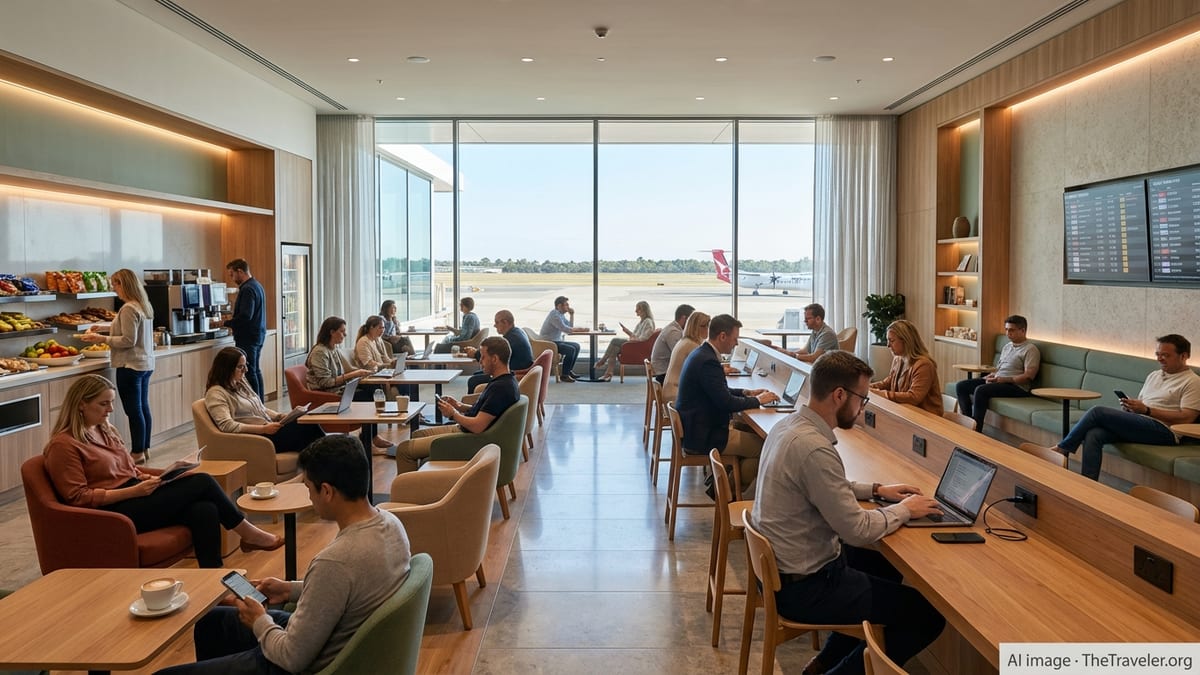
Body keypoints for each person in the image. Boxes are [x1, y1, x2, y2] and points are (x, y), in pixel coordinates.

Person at [751, 351, 946, 674]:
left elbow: (822, 484)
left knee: (881, 565)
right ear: (839, 395)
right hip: (806, 588)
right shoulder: (815, 448)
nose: (862, 408)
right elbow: (857, 530)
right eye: (862, 399)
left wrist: (875, 490)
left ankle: (823, 663)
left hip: (786, 574)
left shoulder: (790, 427)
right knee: (926, 616)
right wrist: (904, 510)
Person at [155, 435, 412, 675]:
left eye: (308, 487)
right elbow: (352, 586)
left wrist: (259, 620)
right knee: (211, 621)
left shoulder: (335, 561)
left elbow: (291, 657)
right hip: (336, 637)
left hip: (304, 663)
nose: (308, 495)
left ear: (327, 491)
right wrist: (290, 589)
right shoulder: (391, 523)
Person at [44, 374, 283, 569]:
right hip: (113, 512)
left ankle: (214, 582)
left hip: (135, 495)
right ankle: (248, 534)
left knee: (205, 509)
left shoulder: (104, 429)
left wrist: (154, 478)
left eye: (111, 402)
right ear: (81, 404)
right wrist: (134, 491)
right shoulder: (64, 445)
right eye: (103, 403)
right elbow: (79, 497)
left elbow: (128, 469)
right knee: (203, 481)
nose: (110, 409)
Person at [1047, 334, 1200, 481]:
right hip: (1142, 421)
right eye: (1158, 354)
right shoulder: (1154, 375)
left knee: (1097, 411)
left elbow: (1187, 417)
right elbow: (1143, 403)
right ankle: (1088, 486)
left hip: (1166, 431)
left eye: (1166, 355)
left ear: (1184, 356)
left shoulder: (1192, 382)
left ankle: (1063, 448)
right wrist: (1132, 407)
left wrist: (1147, 410)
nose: (1160, 359)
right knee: (1094, 434)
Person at [675, 314, 779, 495]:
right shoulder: (708, 361)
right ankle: (727, 494)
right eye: (735, 339)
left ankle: (723, 485)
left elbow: (718, 391)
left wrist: (746, 393)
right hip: (704, 435)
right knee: (766, 448)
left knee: (746, 431)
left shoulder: (702, 353)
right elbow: (725, 402)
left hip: (698, 428)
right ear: (722, 336)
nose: (736, 344)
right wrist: (758, 401)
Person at [394, 336, 521, 474]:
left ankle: (408, 493)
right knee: (418, 434)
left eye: (483, 357)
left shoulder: (500, 388)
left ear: (495, 359)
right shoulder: (507, 381)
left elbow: (478, 426)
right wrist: (460, 406)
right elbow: (487, 412)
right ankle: (423, 483)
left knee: (403, 450)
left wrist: (454, 413)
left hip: (468, 439)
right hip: (467, 433)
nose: (480, 361)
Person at [79, 268, 155, 464]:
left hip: (129, 365)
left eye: (115, 284)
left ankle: (136, 453)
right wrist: (102, 326)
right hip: (144, 364)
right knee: (143, 408)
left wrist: (99, 338)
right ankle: (145, 448)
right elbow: (127, 328)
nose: (114, 288)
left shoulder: (128, 307)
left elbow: (128, 340)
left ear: (124, 284)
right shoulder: (142, 305)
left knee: (134, 411)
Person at [204, 346, 324, 454]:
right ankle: (327, 458)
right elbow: (227, 425)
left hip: (268, 429)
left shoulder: (240, 383)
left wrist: (279, 416)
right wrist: (262, 429)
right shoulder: (216, 393)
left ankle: (324, 458)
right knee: (307, 429)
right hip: (257, 437)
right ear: (227, 369)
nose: (245, 370)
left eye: (245, 365)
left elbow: (260, 408)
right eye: (240, 367)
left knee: (307, 422)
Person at [305, 316, 390, 449]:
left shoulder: (333, 349)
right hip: (327, 393)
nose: (345, 334)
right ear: (332, 332)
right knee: (368, 397)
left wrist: (358, 374)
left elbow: (341, 375)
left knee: (373, 388)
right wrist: (353, 374)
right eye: (342, 331)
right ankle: (370, 438)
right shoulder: (320, 352)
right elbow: (325, 382)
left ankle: (371, 436)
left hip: (338, 388)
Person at [954, 315, 1040, 432]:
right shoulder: (1007, 346)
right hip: (999, 381)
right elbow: (999, 369)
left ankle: (976, 429)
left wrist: (1004, 380)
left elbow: (1028, 376)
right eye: (1006, 329)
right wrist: (991, 375)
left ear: (1023, 330)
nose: (1008, 333)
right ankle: (969, 422)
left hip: (1017, 387)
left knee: (981, 390)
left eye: (1011, 330)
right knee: (961, 386)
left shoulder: (1030, 349)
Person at [869, 319, 942, 416]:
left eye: (892, 340)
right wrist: (868, 387)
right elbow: (888, 382)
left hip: (927, 418)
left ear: (906, 341)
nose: (888, 345)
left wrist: (884, 394)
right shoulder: (898, 359)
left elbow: (914, 397)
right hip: (907, 413)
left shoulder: (924, 365)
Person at [224, 259, 267, 402]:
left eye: (232, 275)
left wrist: (226, 323)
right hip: (258, 333)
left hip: (248, 336)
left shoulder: (247, 289)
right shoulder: (257, 285)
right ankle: (260, 402)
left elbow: (245, 316)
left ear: (240, 271)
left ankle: (256, 404)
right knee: (255, 370)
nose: (232, 278)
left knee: (249, 372)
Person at [465, 309, 533, 393]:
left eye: (497, 322)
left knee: (473, 380)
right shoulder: (517, 332)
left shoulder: (511, 339)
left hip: (515, 373)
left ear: (505, 322)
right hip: (517, 369)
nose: (494, 325)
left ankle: (476, 404)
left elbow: (493, 357)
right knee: (477, 374)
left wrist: (475, 353)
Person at [595, 300, 656, 382]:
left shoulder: (648, 322)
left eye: (638, 309)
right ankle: (608, 374)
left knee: (614, 340)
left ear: (644, 310)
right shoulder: (642, 322)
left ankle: (602, 360)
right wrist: (627, 332)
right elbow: (636, 336)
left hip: (637, 346)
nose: (636, 311)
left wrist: (631, 340)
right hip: (634, 344)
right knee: (615, 348)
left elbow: (643, 339)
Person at [663, 311, 710, 402]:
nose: (708, 329)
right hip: (675, 394)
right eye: (705, 326)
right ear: (696, 328)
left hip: (672, 390)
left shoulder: (685, 341)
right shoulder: (692, 345)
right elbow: (704, 372)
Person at [539, 296, 586, 383]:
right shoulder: (554, 315)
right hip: (549, 343)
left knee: (577, 346)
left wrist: (571, 315)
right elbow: (566, 329)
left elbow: (569, 327)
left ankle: (568, 371)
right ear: (559, 306)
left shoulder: (560, 314)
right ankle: (564, 375)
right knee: (571, 350)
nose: (568, 307)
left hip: (556, 341)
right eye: (566, 305)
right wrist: (580, 329)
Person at [650, 304, 694, 383]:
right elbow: (680, 354)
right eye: (692, 321)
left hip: (664, 371)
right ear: (684, 318)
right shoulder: (673, 332)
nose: (693, 324)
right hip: (664, 374)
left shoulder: (674, 329)